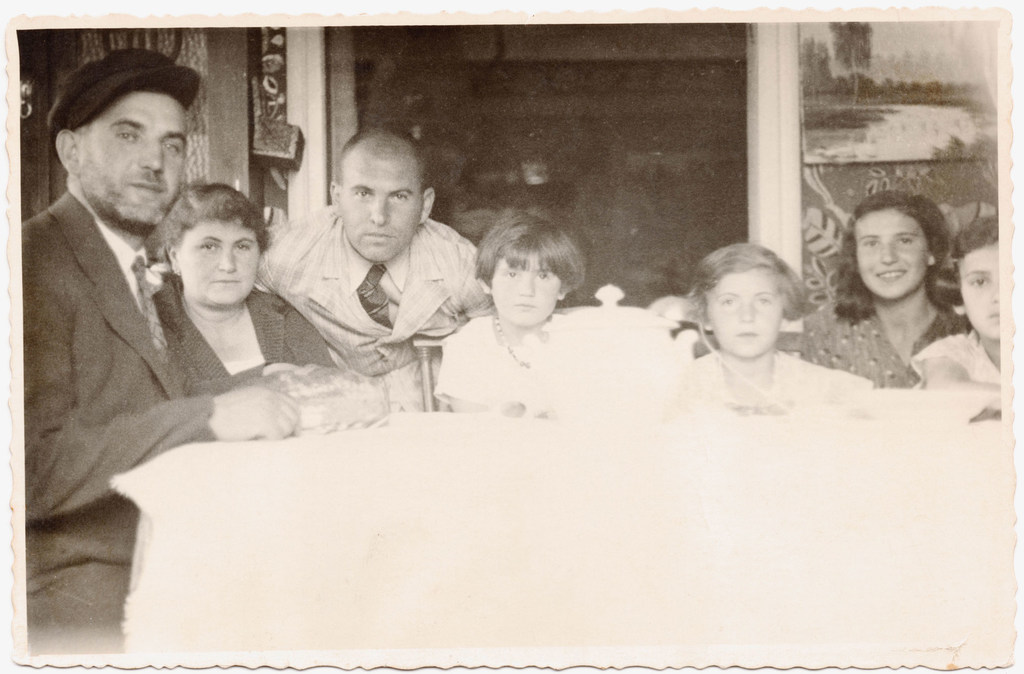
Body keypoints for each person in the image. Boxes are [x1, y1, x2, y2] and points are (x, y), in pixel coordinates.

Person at [22, 49, 300, 654]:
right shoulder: (30, 265)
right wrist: (209, 416)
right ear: (71, 151)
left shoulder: (124, 267)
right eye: (129, 135)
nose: (155, 161)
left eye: (173, 145)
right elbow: (26, 470)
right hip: (79, 598)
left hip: (167, 560)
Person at [258, 128, 492, 412]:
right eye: (363, 193)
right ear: (337, 196)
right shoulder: (290, 252)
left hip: (435, 410)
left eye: (399, 197)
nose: (379, 217)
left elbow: (500, 339)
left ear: (425, 205)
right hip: (337, 411)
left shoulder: (459, 262)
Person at [156, 183, 335, 396]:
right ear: (175, 257)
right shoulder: (151, 320)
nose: (228, 265)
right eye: (209, 246)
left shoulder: (284, 318)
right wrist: (262, 380)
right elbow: (147, 408)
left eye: (242, 246)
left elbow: (334, 393)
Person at [674, 243, 872, 416]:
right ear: (705, 316)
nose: (747, 316)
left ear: (784, 314)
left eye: (763, 300)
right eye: (729, 301)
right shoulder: (683, 387)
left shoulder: (826, 389)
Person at [800, 190, 967, 388]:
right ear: (856, 258)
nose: (887, 257)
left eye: (904, 240)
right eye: (871, 243)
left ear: (931, 251)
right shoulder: (825, 331)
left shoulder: (965, 326)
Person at [435, 213, 585, 416]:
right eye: (512, 274)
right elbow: (474, 427)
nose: (526, 290)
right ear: (487, 283)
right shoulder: (469, 344)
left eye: (543, 275)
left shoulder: (578, 338)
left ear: (563, 288)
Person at [912, 215, 1000, 393]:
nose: (1000, 296)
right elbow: (946, 389)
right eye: (980, 282)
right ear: (959, 300)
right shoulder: (954, 352)